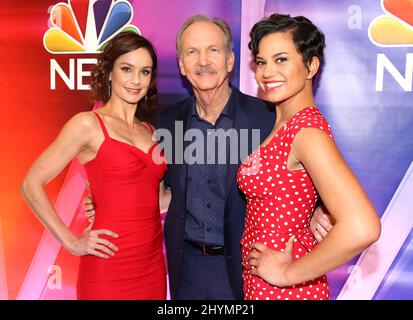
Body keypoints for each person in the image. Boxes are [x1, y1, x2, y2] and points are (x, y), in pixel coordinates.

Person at [84, 14, 333, 300]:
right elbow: (152, 187)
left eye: (213, 50)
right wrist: (106, 201)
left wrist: (317, 210)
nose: (203, 61)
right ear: (181, 65)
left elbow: (310, 175)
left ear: (230, 61)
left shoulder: (267, 118)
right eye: (192, 52)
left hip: (249, 267)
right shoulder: (165, 122)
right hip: (187, 268)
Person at [238, 13, 381, 300]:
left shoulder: (306, 133)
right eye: (262, 62)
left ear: (310, 66)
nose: (267, 72)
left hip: (287, 290)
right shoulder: (283, 126)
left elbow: (362, 226)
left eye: (281, 60)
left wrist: (286, 274)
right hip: (263, 286)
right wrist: (318, 207)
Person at [21, 32, 168, 299]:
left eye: (144, 72)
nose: (136, 80)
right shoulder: (87, 124)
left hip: (152, 268)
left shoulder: (151, 131)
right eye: (126, 69)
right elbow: (31, 183)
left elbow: (157, 201)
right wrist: (71, 241)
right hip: (108, 266)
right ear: (109, 73)